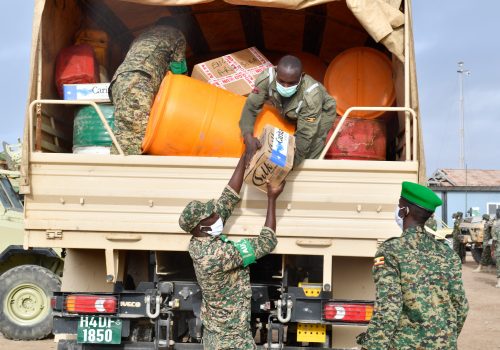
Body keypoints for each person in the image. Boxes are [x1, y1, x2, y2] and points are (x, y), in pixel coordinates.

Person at [178, 152, 285, 349]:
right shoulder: (218, 255)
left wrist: (246, 155)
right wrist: (272, 198)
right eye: (210, 215)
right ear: (202, 226)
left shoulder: (198, 241)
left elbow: (228, 199)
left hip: (216, 335)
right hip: (231, 339)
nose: (216, 215)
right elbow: (266, 242)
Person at [357, 181, 469, 349]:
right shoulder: (448, 254)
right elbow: (461, 306)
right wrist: (445, 338)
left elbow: (388, 308)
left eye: (399, 206)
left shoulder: (391, 251)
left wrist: (371, 346)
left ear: (405, 211)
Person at [239, 55, 337, 167]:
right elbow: (251, 107)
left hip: (321, 111)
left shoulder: (311, 96)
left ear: (301, 77)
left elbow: (305, 136)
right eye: (281, 81)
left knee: (312, 146)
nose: (285, 87)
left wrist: (286, 167)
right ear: (276, 73)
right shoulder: (266, 79)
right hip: (290, 109)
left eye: (291, 83)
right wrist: (247, 136)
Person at [109, 18, 187, 155]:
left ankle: (115, 169)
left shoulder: (141, 37)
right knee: (136, 135)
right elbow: (178, 72)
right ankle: (128, 173)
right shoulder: (176, 34)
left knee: (123, 132)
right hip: (139, 79)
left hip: (119, 80)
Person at [492, 211, 500, 288]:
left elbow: (494, 239)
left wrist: (492, 249)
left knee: (499, 265)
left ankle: (499, 282)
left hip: (498, 249)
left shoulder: (496, 225)